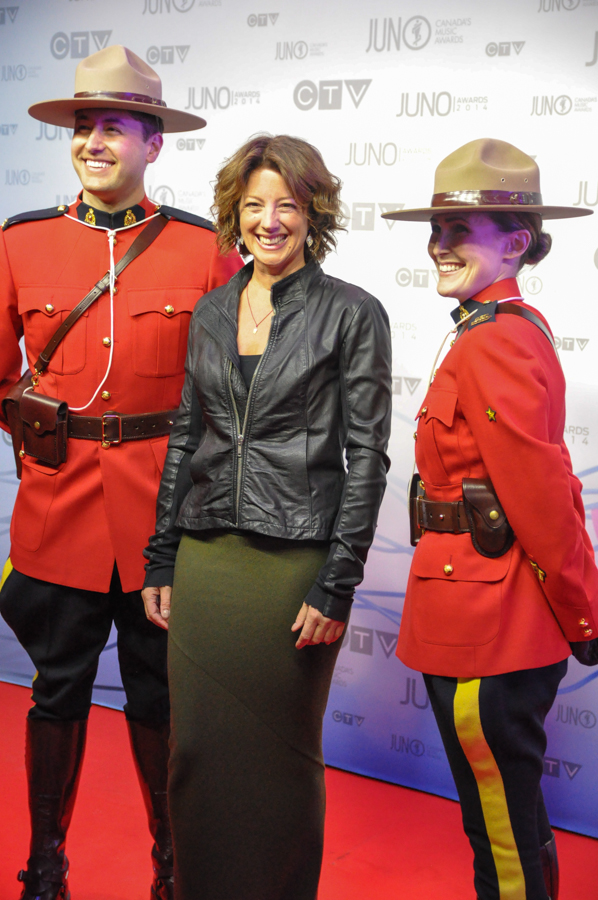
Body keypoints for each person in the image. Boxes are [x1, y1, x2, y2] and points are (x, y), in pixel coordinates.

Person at [0, 45, 242, 900]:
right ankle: (46, 867)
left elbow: (239, 389)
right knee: (55, 692)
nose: (93, 141)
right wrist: (35, 438)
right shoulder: (22, 243)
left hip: (165, 523)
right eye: (83, 126)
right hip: (57, 510)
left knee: (158, 701)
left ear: (153, 144)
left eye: (114, 127)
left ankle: (172, 869)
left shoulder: (203, 250)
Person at [142, 134, 392, 900]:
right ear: (235, 214)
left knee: (280, 764)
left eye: (287, 203)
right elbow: (188, 434)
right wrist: (161, 555)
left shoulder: (354, 313)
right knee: (196, 757)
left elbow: (367, 457)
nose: (270, 220)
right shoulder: (213, 311)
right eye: (254, 205)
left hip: (293, 568)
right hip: (206, 560)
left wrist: (337, 584)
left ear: (313, 212)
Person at [383, 138, 598, 900]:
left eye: (460, 231)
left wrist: (582, 615)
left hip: (492, 623)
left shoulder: (497, 339)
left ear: (516, 242)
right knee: (502, 817)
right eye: (437, 229)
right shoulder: (484, 327)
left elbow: (541, 497)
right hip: (474, 607)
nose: (441, 244)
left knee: (502, 829)